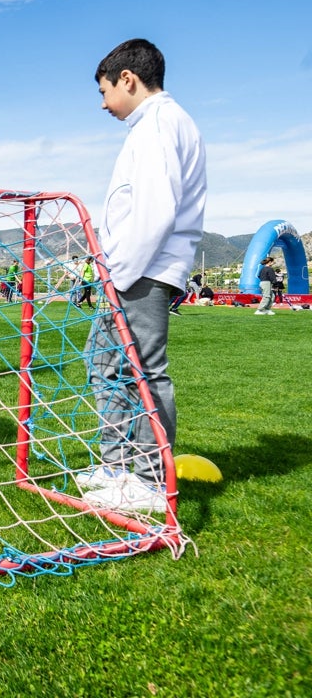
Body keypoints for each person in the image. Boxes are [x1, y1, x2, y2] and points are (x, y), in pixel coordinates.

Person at [80, 38, 207, 513]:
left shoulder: (158, 125)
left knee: (143, 372)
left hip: (142, 271)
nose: (103, 102)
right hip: (134, 269)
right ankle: (116, 468)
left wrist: (118, 273)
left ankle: (150, 480)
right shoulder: (154, 125)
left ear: (127, 80)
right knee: (105, 365)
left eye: (105, 90)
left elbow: (154, 212)